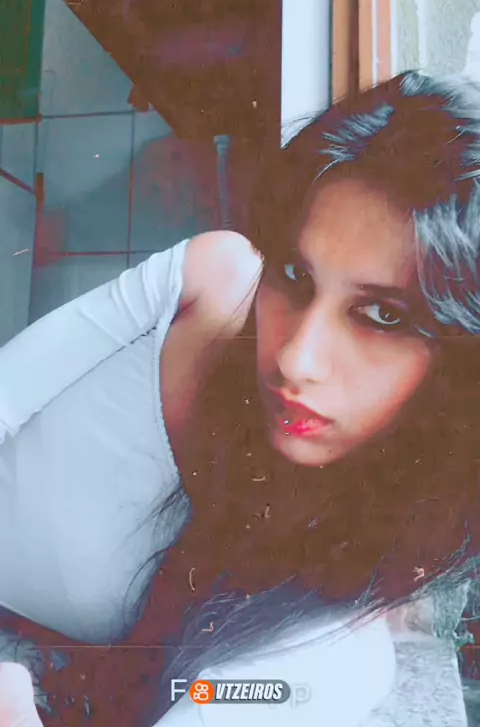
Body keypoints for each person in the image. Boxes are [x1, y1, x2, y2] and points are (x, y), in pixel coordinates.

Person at [0, 70, 479, 725]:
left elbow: (209, 702)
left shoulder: (333, 651)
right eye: (296, 275)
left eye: (384, 316)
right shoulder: (212, 280)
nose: (294, 358)